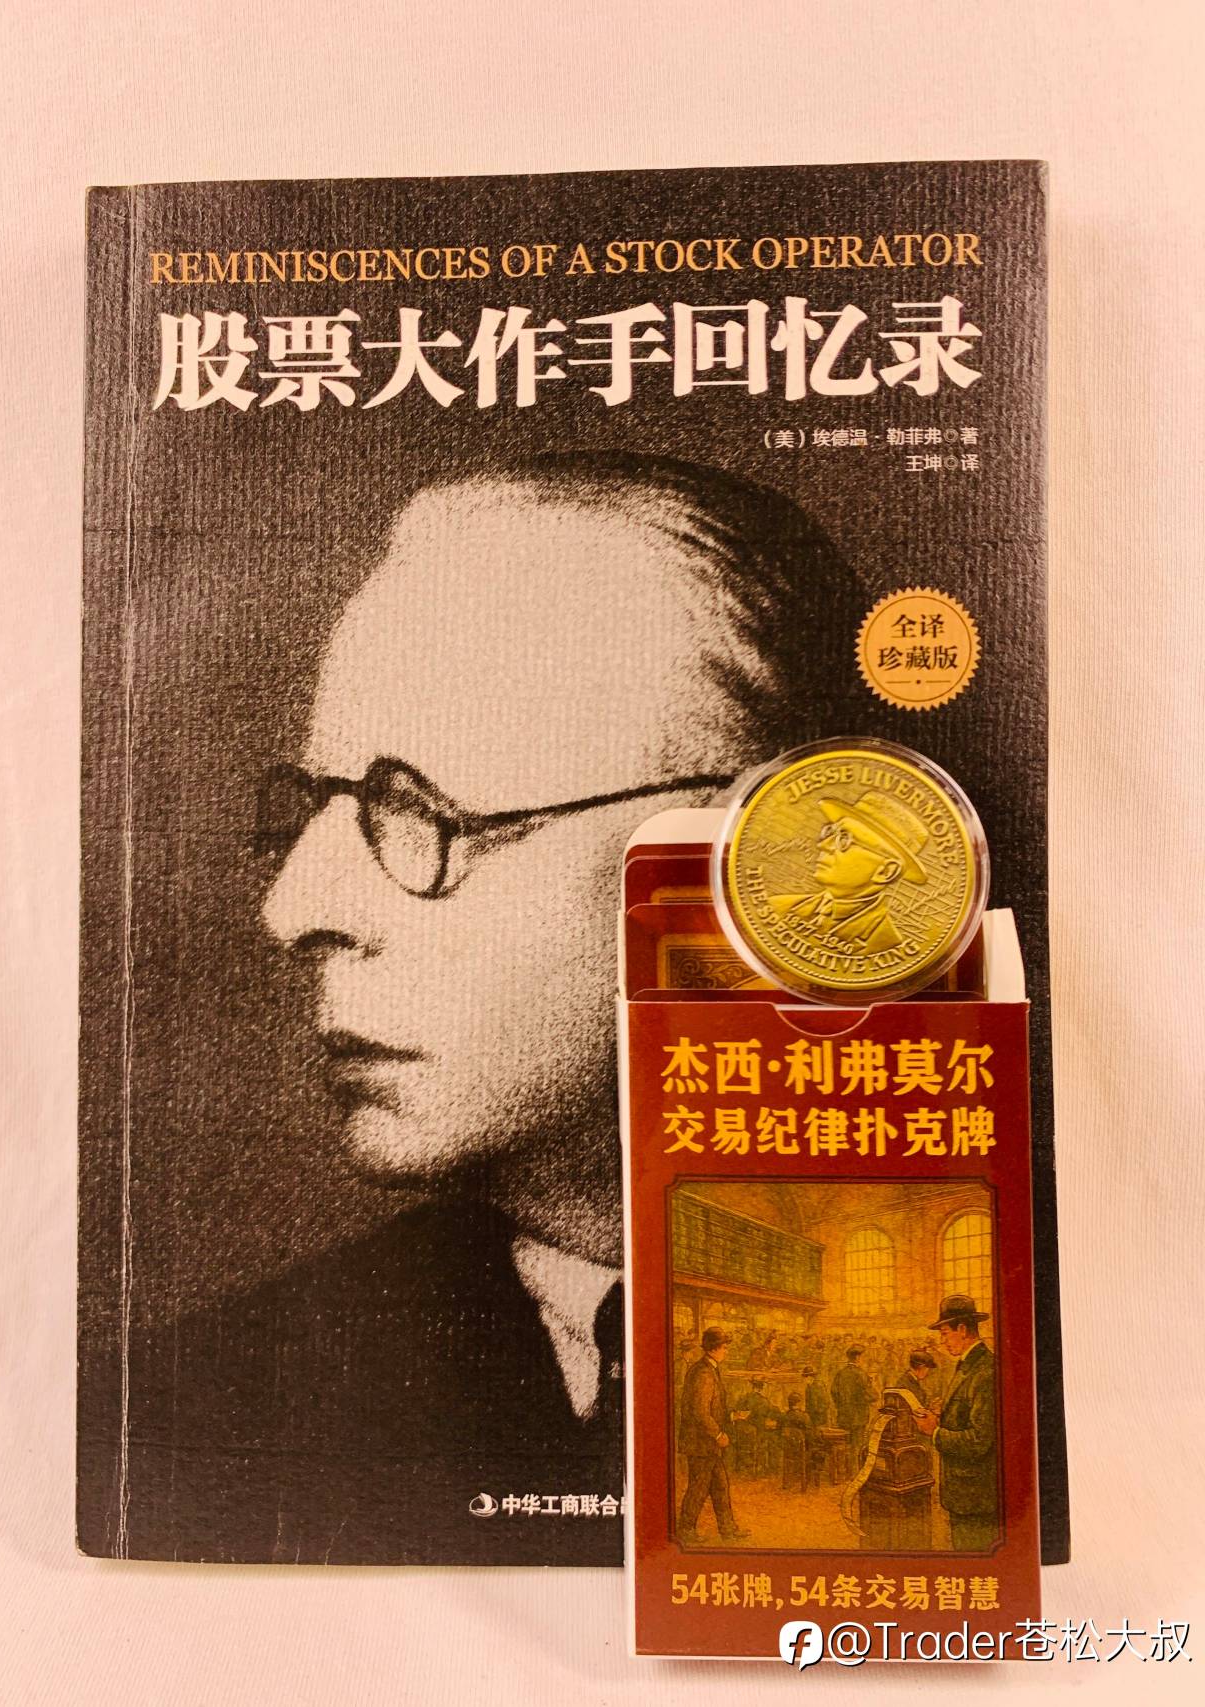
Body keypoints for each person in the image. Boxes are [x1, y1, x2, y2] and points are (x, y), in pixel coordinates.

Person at [81, 451, 855, 1566]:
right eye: (317, 809)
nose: (294, 909)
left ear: (752, 856)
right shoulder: (189, 1409)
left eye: (421, 812)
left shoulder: (1061, 1354)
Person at [770, 789, 931, 955]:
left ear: (885, 871)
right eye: (830, 832)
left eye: (844, 839)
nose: (823, 845)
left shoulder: (887, 946)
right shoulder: (777, 906)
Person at [915, 1295, 1000, 1550]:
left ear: (962, 1329)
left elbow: (979, 1440)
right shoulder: (968, 1365)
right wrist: (944, 1413)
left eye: (944, 1334)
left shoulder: (984, 1371)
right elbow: (968, 1414)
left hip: (974, 1495)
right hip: (965, 1492)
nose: (942, 1341)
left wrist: (935, 1432)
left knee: (974, 1554)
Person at [679, 1329, 749, 1542]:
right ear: (713, 1348)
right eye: (724, 1347)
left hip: (707, 1444)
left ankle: (728, 1529)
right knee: (698, 1487)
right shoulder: (703, 1373)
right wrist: (718, 1434)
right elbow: (700, 1411)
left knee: (720, 1486)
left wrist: (732, 1416)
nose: (726, 1351)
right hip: (701, 1443)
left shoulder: (710, 1369)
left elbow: (713, 1408)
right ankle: (686, 1530)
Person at [831, 1344, 874, 1466]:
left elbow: (834, 1392)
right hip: (858, 1418)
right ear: (857, 1358)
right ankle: (855, 1471)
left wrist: (841, 1406)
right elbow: (872, 1396)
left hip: (844, 1416)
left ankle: (845, 1469)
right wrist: (871, 1385)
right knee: (857, 1446)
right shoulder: (861, 1374)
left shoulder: (840, 1373)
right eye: (863, 1357)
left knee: (846, 1444)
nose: (864, 1360)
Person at [731, 1376, 780, 1474]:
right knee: (771, 1439)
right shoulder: (763, 1401)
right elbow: (773, 1411)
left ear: (753, 1387)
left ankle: (741, 1466)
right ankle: (765, 1467)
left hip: (742, 1433)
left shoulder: (744, 1398)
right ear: (761, 1388)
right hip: (758, 1433)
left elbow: (736, 1411)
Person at [802, 1363, 831, 1427]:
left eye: (805, 1377)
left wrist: (818, 1411)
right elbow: (808, 1403)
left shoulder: (819, 1385)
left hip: (819, 1417)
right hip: (812, 1417)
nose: (804, 1379)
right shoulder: (808, 1387)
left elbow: (826, 1401)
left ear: (809, 1377)